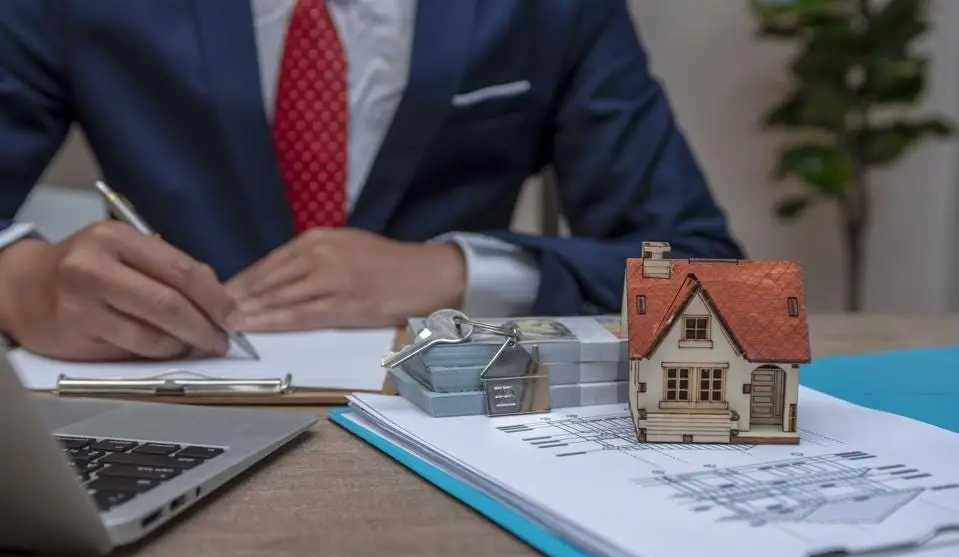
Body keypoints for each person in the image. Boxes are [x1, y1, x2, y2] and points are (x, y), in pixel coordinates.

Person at [0, 0, 743, 362]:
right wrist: (20, 279)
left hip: (460, 442)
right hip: (169, 406)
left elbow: (706, 270)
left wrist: (460, 271)